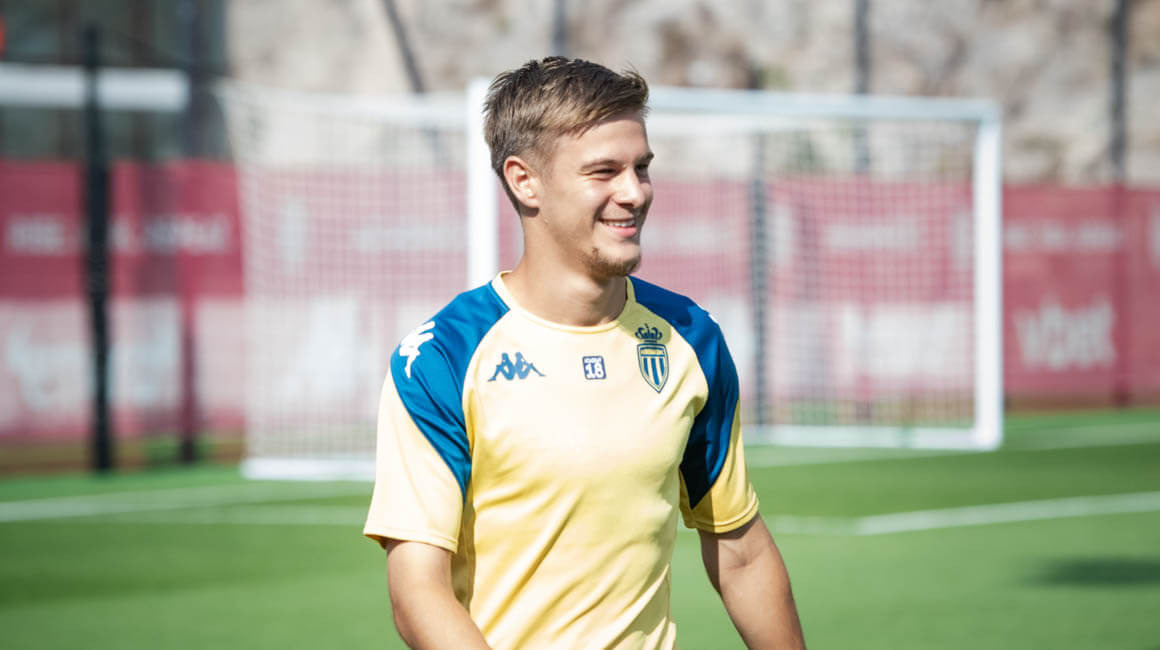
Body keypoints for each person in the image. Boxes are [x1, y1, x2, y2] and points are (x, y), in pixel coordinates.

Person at [364, 56, 806, 649]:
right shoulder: (443, 358)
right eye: (604, 172)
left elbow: (742, 552)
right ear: (524, 180)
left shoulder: (691, 338)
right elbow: (418, 594)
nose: (635, 192)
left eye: (642, 167)